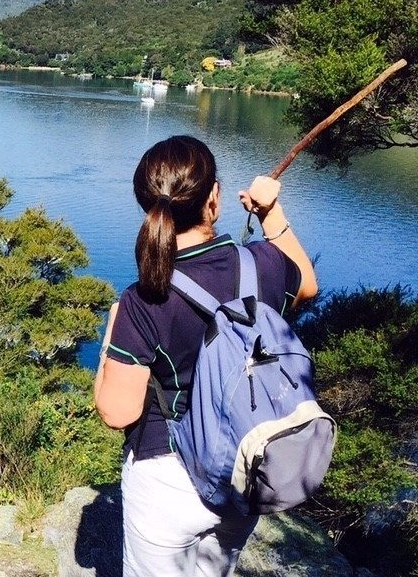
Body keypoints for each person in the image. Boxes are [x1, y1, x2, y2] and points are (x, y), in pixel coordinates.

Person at [93, 135, 318, 576]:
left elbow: (117, 411)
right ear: (214, 198)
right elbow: (306, 283)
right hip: (242, 469)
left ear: (148, 207)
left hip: (167, 479)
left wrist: (110, 339)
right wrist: (270, 212)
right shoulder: (264, 264)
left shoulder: (144, 299)